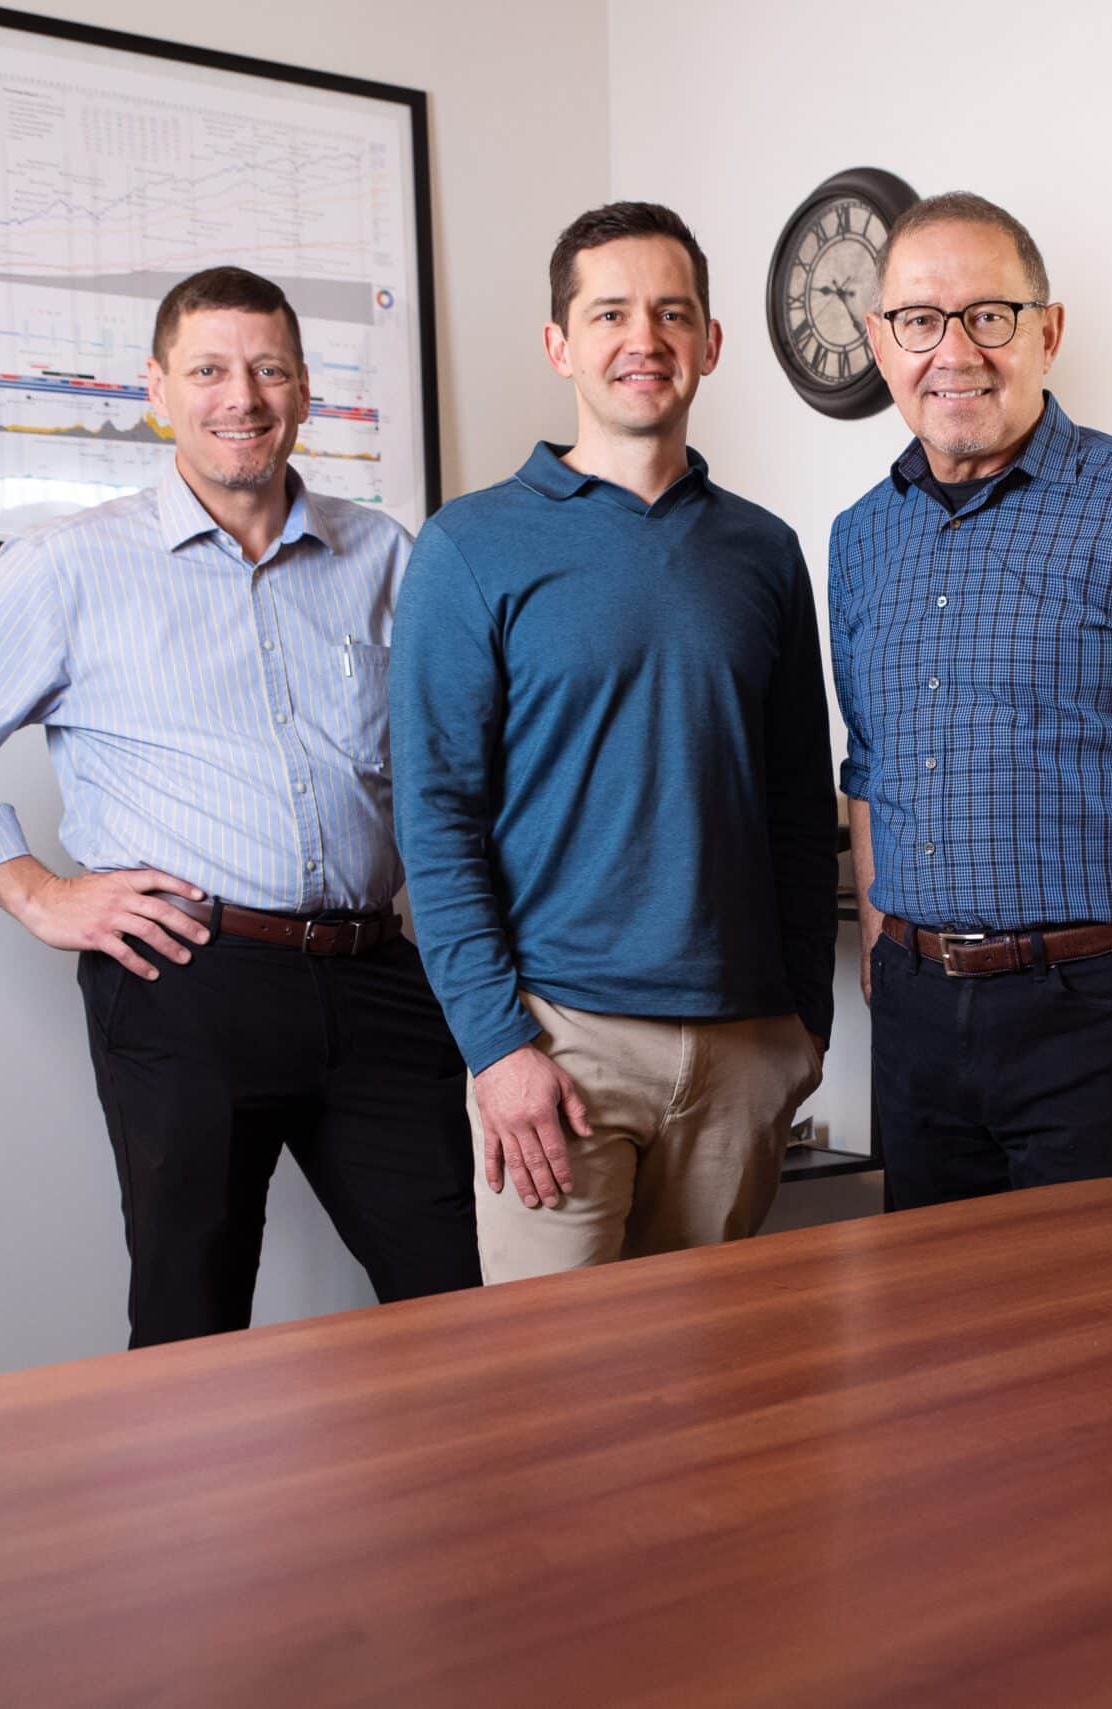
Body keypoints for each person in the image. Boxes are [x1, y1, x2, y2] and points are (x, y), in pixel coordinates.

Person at [0, 266, 479, 1347]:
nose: (240, 395)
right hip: (187, 979)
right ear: (158, 389)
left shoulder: (382, 553)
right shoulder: (69, 566)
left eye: (268, 368)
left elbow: (455, 758)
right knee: (190, 1324)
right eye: (208, 369)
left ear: (303, 389)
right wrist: (42, 895)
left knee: (468, 1296)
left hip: (377, 975)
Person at [391, 203, 834, 1279]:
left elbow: (793, 799)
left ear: (710, 343)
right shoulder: (469, 546)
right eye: (611, 313)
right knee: (556, 1411)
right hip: (562, 1043)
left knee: (710, 1394)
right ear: (560, 345)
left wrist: (801, 1026)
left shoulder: (764, 552)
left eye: (672, 312)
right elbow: (435, 818)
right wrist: (498, 1046)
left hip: (741, 1046)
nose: (646, 338)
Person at [830, 191, 1112, 1208]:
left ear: (1047, 330)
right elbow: (867, 764)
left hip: (1103, 1018)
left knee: (1107, 1346)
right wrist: (879, 951)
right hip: (917, 1021)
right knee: (934, 1336)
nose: (953, 351)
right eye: (918, 320)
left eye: (988, 316)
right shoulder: (860, 537)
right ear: (879, 340)